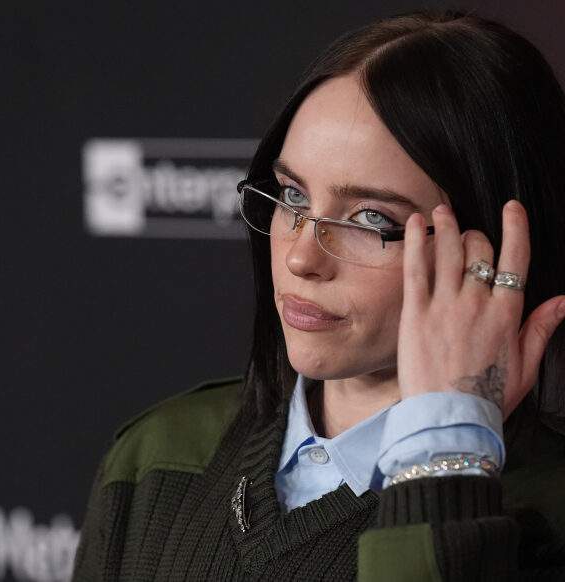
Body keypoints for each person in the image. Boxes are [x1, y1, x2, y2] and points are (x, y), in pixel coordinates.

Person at [73, 7, 565, 581]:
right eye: (293, 197)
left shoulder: (545, 514)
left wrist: (446, 452)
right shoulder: (159, 455)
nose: (301, 257)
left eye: (370, 219)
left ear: (495, 249)